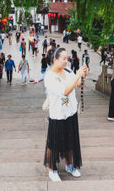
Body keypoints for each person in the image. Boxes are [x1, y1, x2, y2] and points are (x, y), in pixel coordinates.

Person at [43, 47, 88, 181]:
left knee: (71, 140)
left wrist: (83, 75)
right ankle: (52, 169)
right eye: (63, 58)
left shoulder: (67, 71)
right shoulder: (50, 76)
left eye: (67, 58)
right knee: (54, 143)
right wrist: (78, 75)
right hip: (58, 114)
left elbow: (78, 84)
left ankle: (70, 165)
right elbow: (65, 91)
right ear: (55, 60)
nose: (66, 61)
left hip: (71, 111)